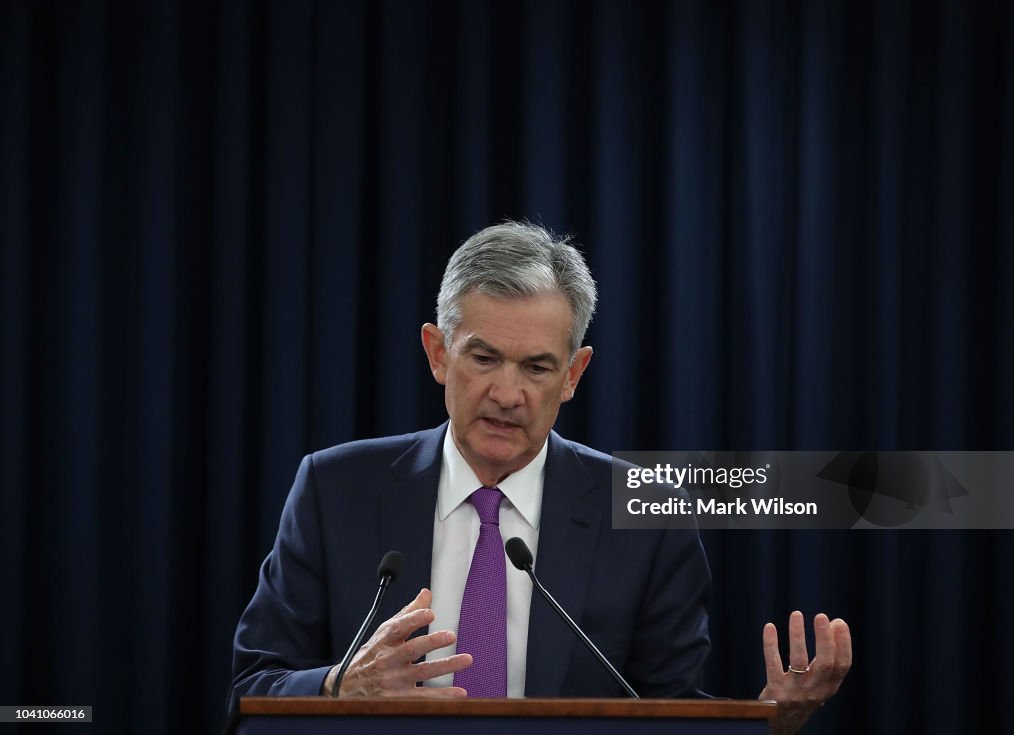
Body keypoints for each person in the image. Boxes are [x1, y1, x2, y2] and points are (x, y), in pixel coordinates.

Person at [228, 222, 851, 733]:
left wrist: (770, 718)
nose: (507, 393)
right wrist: (343, 687)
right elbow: (249, 697)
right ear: (438, 353)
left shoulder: (645, 517)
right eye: (483, 357)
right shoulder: (337, 489)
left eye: (537, 367)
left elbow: (667, 717)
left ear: (574, 374)